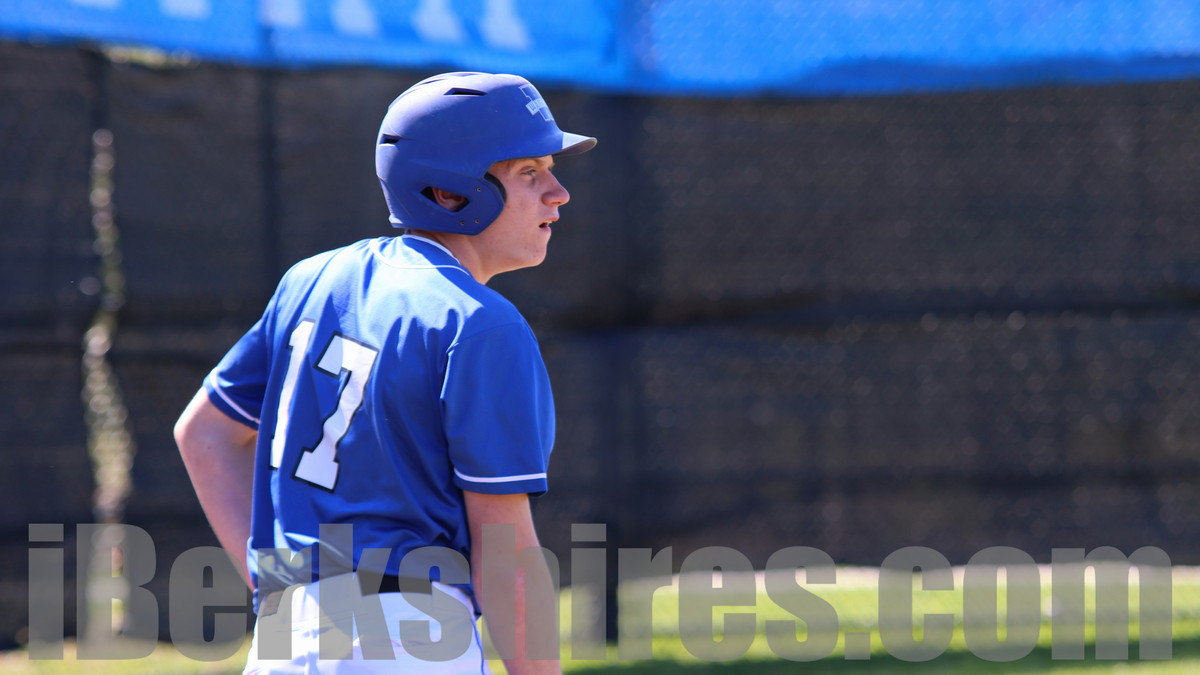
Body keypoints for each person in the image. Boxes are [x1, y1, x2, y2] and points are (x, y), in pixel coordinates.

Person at [174, 71, 596, 674]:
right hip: (408, 639)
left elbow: (203, 435)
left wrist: (283, 590)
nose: (559, 193)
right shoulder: (480, 323)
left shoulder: (312, 280)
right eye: (529, 171)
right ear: (450, 192)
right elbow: (506, 555)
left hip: (286, 638)